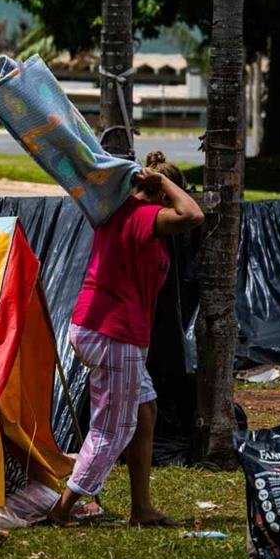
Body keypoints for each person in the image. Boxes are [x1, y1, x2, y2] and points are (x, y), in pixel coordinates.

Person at [50, 151, 204, 526]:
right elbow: (193, 215)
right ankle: (62, 508)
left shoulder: (117, 213)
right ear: (161, 197)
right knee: (113, 428)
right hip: (113, 334)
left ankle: (142, 508)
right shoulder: (142, 217)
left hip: (104, 331)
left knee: (145, 411)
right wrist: (164, 184)